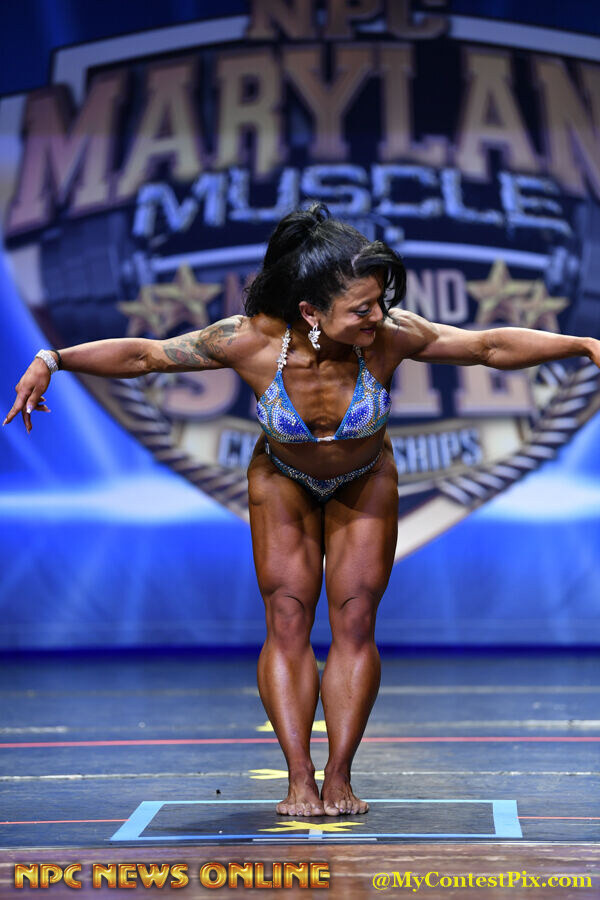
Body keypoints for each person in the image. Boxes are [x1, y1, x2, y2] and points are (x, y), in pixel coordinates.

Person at [5, 203, 599, 817]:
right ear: (312, 312)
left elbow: (488, 347)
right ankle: (298, 777)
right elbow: (146, 356)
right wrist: (53, 360)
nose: (377, 316)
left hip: (364, 479)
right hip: (281, 479)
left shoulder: (391, 336)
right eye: (361, 309)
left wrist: (583, 345)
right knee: (288, 617)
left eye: (379, 302)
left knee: (354, 619)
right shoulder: (250, 341)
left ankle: (339, 774)